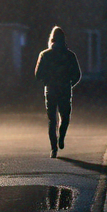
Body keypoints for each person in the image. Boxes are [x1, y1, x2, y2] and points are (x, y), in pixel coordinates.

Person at [35, 26, 82, 158]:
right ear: (64, 39)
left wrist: (47, 81)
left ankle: (53, 148)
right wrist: (70, 84)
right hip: (65, 90)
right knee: (65, 117)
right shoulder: (70, 55)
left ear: (52, 39)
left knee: (52, 120)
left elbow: (38, 75)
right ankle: (61, 137)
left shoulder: (44, 55)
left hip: (50, 90)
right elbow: (77, 74)